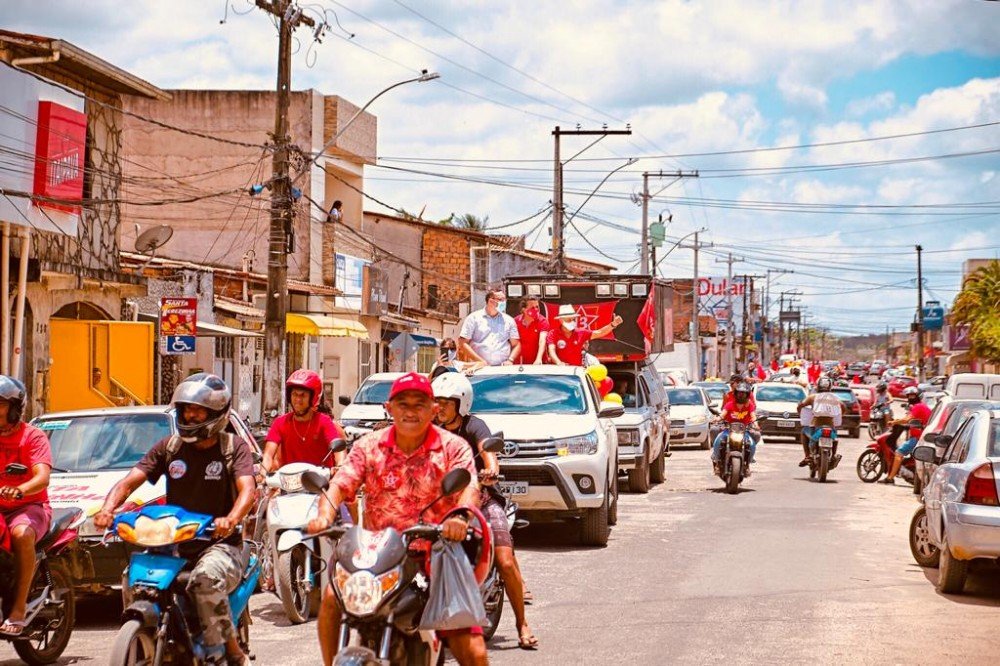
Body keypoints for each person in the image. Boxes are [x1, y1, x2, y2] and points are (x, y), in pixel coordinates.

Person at [308, 372, 486, 666]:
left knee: (473, 651)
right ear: (389, 408)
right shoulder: (368, 445)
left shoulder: (453, 447)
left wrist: (460, 517)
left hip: (434, 554)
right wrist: (324, 515)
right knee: (330, 599)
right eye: (403, 403)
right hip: (377, 557)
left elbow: (469, 488)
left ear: (434, 409)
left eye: (420, 404)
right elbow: (341, 484)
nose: (411, 411)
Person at [94, 374, 256, 666]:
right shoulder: (170, 447)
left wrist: (231, 519)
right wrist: (108, 509)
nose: (190, 415)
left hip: (218, 544)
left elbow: (247, 490)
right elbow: (129, 482)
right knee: (134, 575)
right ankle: (146, 631)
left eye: (199, 410)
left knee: (205, 579)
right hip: (172, 543)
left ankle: (230, 650)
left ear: (217, 414)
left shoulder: (233, 448)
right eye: (186, 409)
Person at [431, 373, 538, 650]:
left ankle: (522, 623)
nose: (439, 408)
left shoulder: (474, 426)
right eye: (436, 402)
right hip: (441, 501)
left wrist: (491, 471)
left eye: (446, 402)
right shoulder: (432, 429)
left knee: (504, 560)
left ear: (461, 403)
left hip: (483, 499)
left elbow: (489, 454)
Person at [0, 376, 52, 638]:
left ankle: (18, 609)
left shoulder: (33, 436)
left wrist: (20, 489)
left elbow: (42, 477)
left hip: (29, 507)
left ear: (14, 407)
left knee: (21, 534)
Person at [261, 369, 346, 475]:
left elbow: (338, 450)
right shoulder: (280, 422)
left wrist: (340, 465)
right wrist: (263, 472)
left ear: (313, 398)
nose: (297, 399)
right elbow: (268, 454)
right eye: (294, 394)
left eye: (303, 395)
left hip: (320, 484)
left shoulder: (324, 421)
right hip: (288, 484)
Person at [881, 386, 931, 484]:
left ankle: (890, 478)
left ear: (918, 396)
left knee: (899, 452)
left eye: (913, 396)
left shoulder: (918, 407)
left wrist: (894, 422)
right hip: (921, 437)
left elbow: (907, 419)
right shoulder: (919, 407)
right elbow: (909, 419)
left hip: (918, 438)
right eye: (909, 396)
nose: (910, 398)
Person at [459, 288, 520, 367]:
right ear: (490, 300)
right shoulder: (473, 318)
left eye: (504, 300)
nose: (503, 302)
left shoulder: (509, 320)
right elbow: (462, 342)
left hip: (502, 368)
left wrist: (510, 360)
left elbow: (516, 345)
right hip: (478, 367)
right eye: (500, 299)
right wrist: (480, 361)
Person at [546, 304, 623, 367]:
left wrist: (613, 324)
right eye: (569, 320)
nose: (572, 322)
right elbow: (551, 351)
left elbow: (599, 333)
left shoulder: (581, 332)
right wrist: (559, 363)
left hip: (576, 372)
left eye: (573, 319)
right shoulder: (553, 334)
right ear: (561, 320)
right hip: (559, 371)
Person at [796, 376, 846, 467]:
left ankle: (807, 456)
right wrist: (840, 415)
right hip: (831, 425)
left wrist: (800, 414)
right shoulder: (835, 398)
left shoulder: (813, 397)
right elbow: (843, 407)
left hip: (816, 426)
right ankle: (834, 455)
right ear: (830, 387)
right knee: (835, 438)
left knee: (803, 431)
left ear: (818, 386)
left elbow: (801, 405)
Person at [711, 382, 758, 474]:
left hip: (744, 431)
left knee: (753, 441)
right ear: (736, 394)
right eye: (739, 393)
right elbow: (723, 414)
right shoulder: (729, 404)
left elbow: (753, 416)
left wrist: (755, 424)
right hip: (728, 429)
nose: (741, 395)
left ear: (747, 395)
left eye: (743, 393)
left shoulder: (750, 405)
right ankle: (716, 460)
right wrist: (717, 419)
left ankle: (748, 463)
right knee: (718, 441)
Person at [513, 296, 550, 365]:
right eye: (532, 307)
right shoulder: (515, 321)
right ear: (524, 309)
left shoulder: (543, 321)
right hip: (519, 363)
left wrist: (538, 358)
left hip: (538, 363)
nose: (536, 309)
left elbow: (542, 341)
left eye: (537, 307)